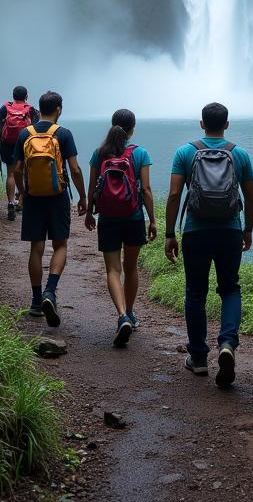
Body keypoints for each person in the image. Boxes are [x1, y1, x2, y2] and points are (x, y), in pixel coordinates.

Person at [165, 102, 253, 388]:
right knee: (230, 288)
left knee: (195, 292)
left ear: (201, 124)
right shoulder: (239, 153)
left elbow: (174, 194)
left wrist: (170, 233)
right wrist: (248, 230)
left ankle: (200, 358)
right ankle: (227, 343)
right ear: (227, 124)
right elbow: (251, 198)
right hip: (230, 230)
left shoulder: (185, 152)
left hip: (195, 231)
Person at [84, 108, 157, 347]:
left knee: (113, 270)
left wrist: (89, 211)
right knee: (131, 267)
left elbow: (93, 184)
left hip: (108, 219)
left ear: (112, 125)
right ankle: (131, 313)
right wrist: (153, 220)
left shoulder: (99, 153)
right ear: (132, 129)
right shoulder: (140, 153)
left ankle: (122, 314)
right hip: (133, 218)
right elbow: (145, 190)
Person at [14, 90, 87, 326]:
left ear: (39, 108)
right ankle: (50, 291)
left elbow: (17, 169)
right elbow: (74, 169)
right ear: (59, 109)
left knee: (36, 247)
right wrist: (84, 197)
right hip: (57, 196)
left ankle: (36, 301)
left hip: (34, 196)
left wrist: (22, 193)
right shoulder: (63, 134)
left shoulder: (25, 133)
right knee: (60, 244)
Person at [0, 86, 36, 221]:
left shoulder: (5, 108)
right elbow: (35, 130)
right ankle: (22, 203)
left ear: (13, 96)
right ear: (26, 96)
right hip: (25, 144)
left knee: (11, 174)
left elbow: (1, 128)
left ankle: (10, 203)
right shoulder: (30, 109)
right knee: (25, 172)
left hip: (8, 144)